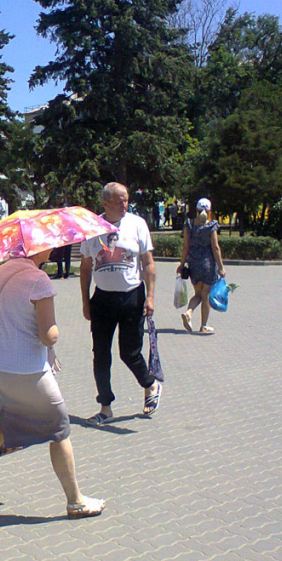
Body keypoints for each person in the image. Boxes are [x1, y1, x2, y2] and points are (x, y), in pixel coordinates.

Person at [0, 247, 105, 534]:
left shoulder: (2, 272)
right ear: (38, 247)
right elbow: (47, 334)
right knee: (59, 429)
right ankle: (76, 502)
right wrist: (57, 332)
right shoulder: (39, 281)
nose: (53, 247)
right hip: (27, 372)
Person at [80, 182, 161, 426]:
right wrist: (85, 302)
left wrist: (150, 296)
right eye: (118, 200)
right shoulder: (92, 228)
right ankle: (105, 407)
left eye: (126, 199)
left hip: (131, 297)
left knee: (130, 353)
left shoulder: (137, 224)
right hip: (102, 299)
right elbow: (85, 268)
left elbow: (148, 262)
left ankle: (150, 384)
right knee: (100, 355)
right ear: (105, 203)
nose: (124, 204)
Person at [178, 198, 226, 334]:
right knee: (206, 296)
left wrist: (181, 264)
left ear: (196, 209)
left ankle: (189, 312)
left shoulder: (190, 225)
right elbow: (215, 247)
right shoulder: (211, 226)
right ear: (209, 211)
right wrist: (221, 267)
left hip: (193, 264)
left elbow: (185, 246)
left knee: (198, 294)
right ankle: (203, 325)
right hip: (208, 265)